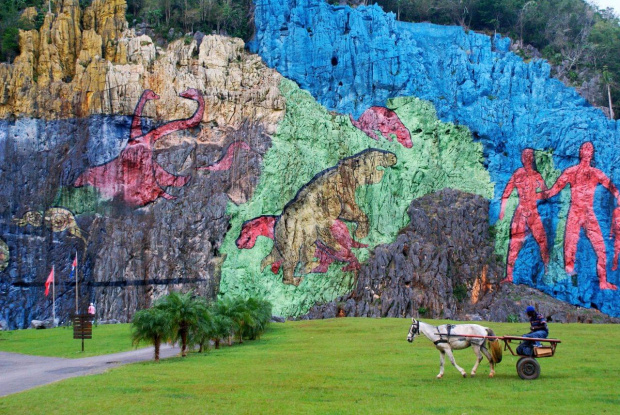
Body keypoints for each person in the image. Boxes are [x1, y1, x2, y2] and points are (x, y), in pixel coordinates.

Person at [540, 142, 620, 290]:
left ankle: (603, 281)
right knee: (569, 246)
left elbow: (609, 185)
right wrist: (540, 195)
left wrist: (617, 195)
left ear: (593, 153)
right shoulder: (571, 171)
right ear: (580, 151)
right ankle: (568, 277)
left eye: (590, 148)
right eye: (585, 147)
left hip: (589, 213)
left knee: (601, 248)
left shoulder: (596, 173)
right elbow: (555, 189)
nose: (588, 150)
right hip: (575, 212)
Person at [499, 148, 550, 284]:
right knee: (514, 243)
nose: (527, 158)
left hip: (533, 212)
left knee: (543, 241)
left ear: (532, 158)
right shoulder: (518, 174)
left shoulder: (536, 175)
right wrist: (502, 211)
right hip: (520, 213)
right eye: (525, 155)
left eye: (529, 155)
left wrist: (535, 195)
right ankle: (509, 276)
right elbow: (506, 192)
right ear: (522, 158)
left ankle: (547, 270)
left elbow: (545, 193)